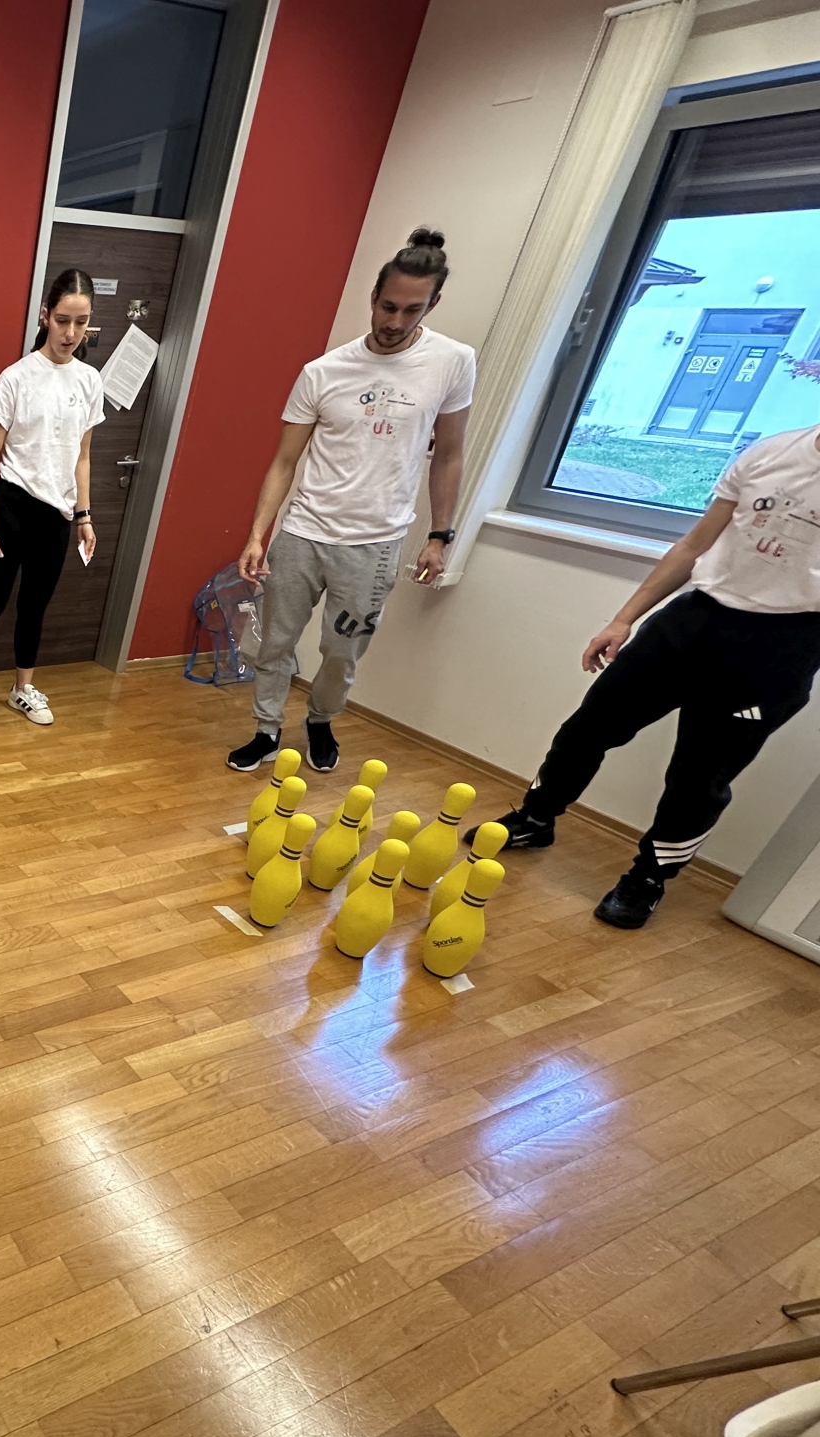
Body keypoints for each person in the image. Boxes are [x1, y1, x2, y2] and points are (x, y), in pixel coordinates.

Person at [468, 424, 820, 928]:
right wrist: (623, 618)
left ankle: (647, 879)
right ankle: (536, 818)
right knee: (588, 728)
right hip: (695, 618)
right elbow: (694, 545)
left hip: (782, 644)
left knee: (700, 776)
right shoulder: (772, 451)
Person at [228, 228, 475, 775]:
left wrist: (440, 535)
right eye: (387, 306)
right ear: (373, 297)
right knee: (272, 643)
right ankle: (266, 730)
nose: (395, 321)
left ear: (432, 305)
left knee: (342, 653)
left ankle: (320, 720)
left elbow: (449, 456)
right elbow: (284, 462)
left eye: (411, 310)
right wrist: (257, 535)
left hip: (375, 543)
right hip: (303, 533)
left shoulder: (453, 363)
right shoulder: (323, 372)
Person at [0, 268, 103, 734]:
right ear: (45, 316)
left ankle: (23, 688)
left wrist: (84, 515)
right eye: (63, 320)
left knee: (35, 607)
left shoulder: (89, 380)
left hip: (57, 516)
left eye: (81, 323)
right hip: (10, 510)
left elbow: (82, 455)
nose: (71, 333)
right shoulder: (16, 378)